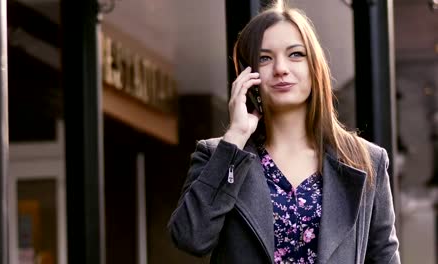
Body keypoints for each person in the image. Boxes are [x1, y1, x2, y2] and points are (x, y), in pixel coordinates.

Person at [167, 1, 401, 263]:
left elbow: (384, 258)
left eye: (295, 54)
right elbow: (190, 237)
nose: (280, 68)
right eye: (264, 58)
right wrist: (233, 140)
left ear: (315, 67)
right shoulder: (218, 156)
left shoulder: (366, 161)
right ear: (248, 74)